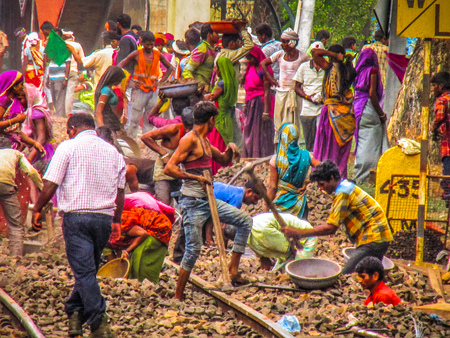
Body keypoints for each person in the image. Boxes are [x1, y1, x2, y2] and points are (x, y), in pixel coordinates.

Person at [31, 113, 126, 337]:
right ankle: (74, 314)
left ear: (72, 129)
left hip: (76, 218)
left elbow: (51, 183)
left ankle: (98, 322)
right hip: (103, 218)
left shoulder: (68, 147)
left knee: (84, 273)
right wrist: (117, 220)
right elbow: (120, 191)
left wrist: (37, 208)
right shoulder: (112, 151)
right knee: (87, 271)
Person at [164, 101, 252, 300]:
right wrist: (196, 178)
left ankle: (233, 271)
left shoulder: (204, 141)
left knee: (245, 221)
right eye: (215, 120)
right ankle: (178, 295)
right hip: (192, 202)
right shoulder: (190, 140)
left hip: (208, 199)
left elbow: (222, 159)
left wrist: (230, 148)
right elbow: (169, 168)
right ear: (211, 120)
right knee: (194, 248)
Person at [282, 160, 393, 274]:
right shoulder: (345, 186)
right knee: (369, 275)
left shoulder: (342, 193)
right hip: (379, 237)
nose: (321, 189)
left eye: (322, 184)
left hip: (374, 239)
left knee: (348, 274)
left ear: (331, 178)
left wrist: (298, 233)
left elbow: (331, 228)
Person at [172, 179, 262, 263]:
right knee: (192, 231)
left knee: (192, 231)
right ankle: (182, 258)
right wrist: (223, 248)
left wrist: (209, 238)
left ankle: (185, 256)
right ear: (249, 192)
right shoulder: (238, 198)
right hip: (199, 200)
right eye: (255, 198)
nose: (255, 203)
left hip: (199, 199)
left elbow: (213, 216)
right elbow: (224, 225)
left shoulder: (236, 192)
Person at [312, 45, 357, 179]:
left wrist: (332, 54)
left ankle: (325, 175)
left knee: (327, 145)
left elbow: (315, 53)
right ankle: (338, 175)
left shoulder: (331, 67)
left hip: (331, 113)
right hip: (345, 113)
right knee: (338, 148)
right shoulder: (348, 70)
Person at [107, 191, 172, 284]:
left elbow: (143, 234)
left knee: (139, 260)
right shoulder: (128, 204)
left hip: (156, 229)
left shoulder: (120, 221)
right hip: (161, 226)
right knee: (147, 262)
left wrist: (127, 251)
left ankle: (144, 287)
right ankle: (147, 287)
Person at [119, 31, 174, 138]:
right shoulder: (136, 54)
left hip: (153, 90)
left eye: (151, 44)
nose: (149, 47)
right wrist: (130, 82)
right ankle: (131, 141)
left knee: (149, 119)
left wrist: (161, 82)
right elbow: (121, 65)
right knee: (134, 119)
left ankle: (146, 141)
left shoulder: (157, 54)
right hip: (139, 90)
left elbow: (170, 67)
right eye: (147, 44)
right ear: (142, 43)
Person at [261, 28, 309, 142]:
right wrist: (271, 78)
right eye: (282, 41)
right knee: (279, 122)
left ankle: (292, 146)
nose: (282, 44)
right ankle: (279, 147)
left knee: (293, 121)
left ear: (292, 43)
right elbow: (263, 63)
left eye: (285, 41)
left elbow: (311, 66)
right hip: (281, 92)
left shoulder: (303, 57)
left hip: (294, 93)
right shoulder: (279, 55)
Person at [142, 102, 193, 204]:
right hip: (163, 174)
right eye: (188, 128)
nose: (189, 131)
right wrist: (164, 154)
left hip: (181, 175)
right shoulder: (173, 129)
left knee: (187, 204)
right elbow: (145, 137)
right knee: (163, 204)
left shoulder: (196, 135)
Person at [268, 123, 320, 219]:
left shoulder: (276, 160)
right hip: (299, 204)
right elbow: (323, 168)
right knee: (301, 231)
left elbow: (272, 187)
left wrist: (266, 209)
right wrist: (309, 180)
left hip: (280, 205)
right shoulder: (306, 156)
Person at [353, 48, 389, 182]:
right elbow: (372, 93)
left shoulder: (357, 71)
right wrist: (381, 114)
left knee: (361, 140)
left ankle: (359, 172)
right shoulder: (372, 71)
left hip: (357, 108)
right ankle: (368, 175)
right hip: (368, 107)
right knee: (372, 142)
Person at [0, 143, 43, 256]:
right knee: (15, 224)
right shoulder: (17, 154)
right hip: (5, 183)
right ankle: (15, 257)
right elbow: (32, 172)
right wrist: (43, 190)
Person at [248, 212, 317, 271]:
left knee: (299, 272)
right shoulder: (249, 235)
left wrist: (296, 266)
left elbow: (290, 248)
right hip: (289, 245)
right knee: (278, 273)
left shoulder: (261, 231)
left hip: (305, 236)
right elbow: (263, 257)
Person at [204, 57, 238, 174]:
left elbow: (212, 97)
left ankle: (216, 171)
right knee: (225, 144)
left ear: (221, 69)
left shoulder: (221, 83)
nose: (215, 69)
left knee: (216, 145)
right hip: (227, 118)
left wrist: (199, 95)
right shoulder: (232, 82)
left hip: (219, 119)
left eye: (216, 67)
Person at [0, 71, 46, 152]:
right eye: (21, 84)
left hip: (12, 147)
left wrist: (34, 143)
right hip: (3, 146)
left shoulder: (15, 102)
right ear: (13, 86)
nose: (23, 87)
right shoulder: (4, 102)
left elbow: (16, 132)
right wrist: (15, 120)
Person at [243, 46, 275, 158]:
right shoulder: (250, 69)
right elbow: (247, 88)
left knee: (262, 132)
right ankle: (251, 155)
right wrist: (245, 104)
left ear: (256, 57)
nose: (249, 61)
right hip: (251, 103)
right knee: (250, 130)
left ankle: (263, 156)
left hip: (261, 103)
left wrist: (266, 112)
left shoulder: (262, 72)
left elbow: (267, 92)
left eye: (251, 58)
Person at [294, 57, 325, 151]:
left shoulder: (326, 67)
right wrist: (308, 97)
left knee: (322, 140)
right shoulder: (304, 67)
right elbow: (297, 87)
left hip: (323, 108)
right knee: (309, 142)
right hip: (307, 109)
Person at [431, 72, 450, 206]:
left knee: (447, 169)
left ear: (441, 86)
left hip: (448, 143)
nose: (433, 89)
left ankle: (448, 195)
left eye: (434, 86)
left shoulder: (442, 100)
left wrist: (433, 128)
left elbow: (440, 116)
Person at [215, 20, 255, 84]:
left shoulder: (222, 54)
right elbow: (249, 46)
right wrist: (242, 30)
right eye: (238, 42)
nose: (239, 44)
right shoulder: (228, 55)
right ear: (232, 43)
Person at [182, 23, 219, 88]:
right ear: (209, 35)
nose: (218, 36)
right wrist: (197, 86)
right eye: (216, 33)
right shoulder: (202, 49)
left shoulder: (211, 48)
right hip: (200, 92)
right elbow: (186, 71)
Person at [46, 29, 71, 117]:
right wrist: (48, 78)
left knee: (60, 96)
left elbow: (68, 64)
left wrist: (66, 78)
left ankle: (60, 116)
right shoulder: (52, 48)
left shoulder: (64, 48)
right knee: (54, 97)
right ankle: (58, 114)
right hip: (52, 76)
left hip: (60, 76)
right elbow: (49, 62)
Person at [94, 66, 126, 132]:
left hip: (112, 121)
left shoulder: (109, 89)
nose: (120, 82)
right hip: (107, 122)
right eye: (119, 79)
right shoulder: (106, 90)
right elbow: (99, 110)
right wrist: (101, 126)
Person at [62, 30, 85, 116]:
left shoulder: (61, 45)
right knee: (70, 93)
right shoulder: (77, 45)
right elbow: (82, 60)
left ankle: (60, 112)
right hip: (73, 70)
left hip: (62, 71)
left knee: (60, 93)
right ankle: (68, 113)